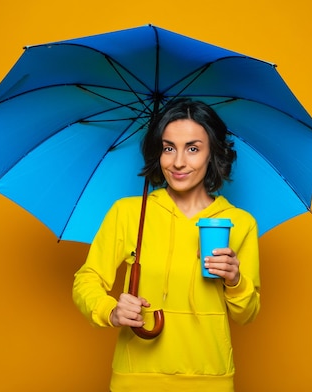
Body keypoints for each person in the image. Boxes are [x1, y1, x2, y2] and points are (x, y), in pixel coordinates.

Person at [72, 98, 261, 391]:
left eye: (193, 149)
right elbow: (86, 279)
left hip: (210, 378)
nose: (178, 162)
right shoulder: (129, 212)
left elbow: (246, 315)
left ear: (213, 153)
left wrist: (235, 280)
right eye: (168, 147)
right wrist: (110, 310)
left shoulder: (239, 222)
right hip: (136, 377)